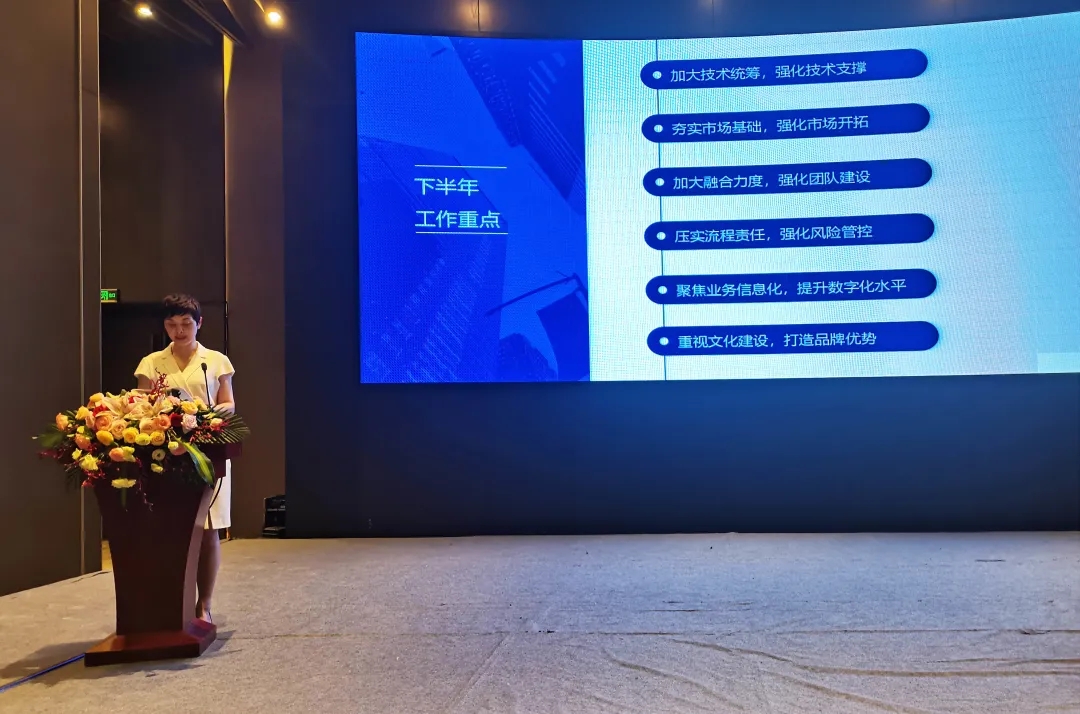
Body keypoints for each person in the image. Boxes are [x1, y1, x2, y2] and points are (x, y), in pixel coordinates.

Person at [135, 294, 235, 625]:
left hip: (207, 453)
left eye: (186, 324)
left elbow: (229, 404)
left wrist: (205, 414)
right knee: (169, 530)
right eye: (172, 324)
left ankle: (203, 605)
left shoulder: (215, 361)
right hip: (164, 455)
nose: (179, 331)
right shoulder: (151, 362)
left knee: (207, 529)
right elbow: (140, 406)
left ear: (199, 323)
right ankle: (170, 604)